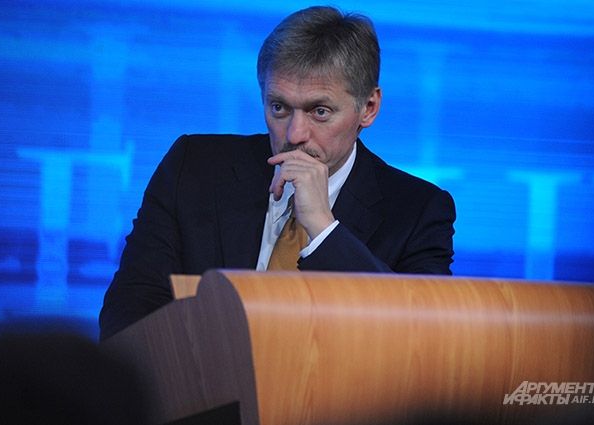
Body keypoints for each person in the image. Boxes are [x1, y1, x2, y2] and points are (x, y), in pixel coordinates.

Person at [99, 6, 455, 340]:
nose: (295, 135)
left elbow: (418, 338)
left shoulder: (418, 211)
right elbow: (128, 314)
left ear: (369, 108)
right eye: (279, 107)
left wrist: (323, 229)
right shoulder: (193, 168)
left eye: (319, 111)